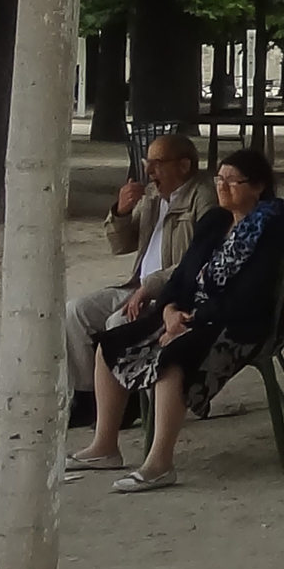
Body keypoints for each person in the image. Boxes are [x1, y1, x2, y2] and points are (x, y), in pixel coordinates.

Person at [65, 143, 284, 489]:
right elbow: (183, 274)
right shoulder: (216, 221)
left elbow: (249, 297)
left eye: (232, 182)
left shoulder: (270, 230)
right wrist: (171, 308)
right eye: (219, 178)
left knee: (172, 358)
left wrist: (188, 320)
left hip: (238, 322)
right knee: (111, 341)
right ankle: (105, 445)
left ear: (258, 186)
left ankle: (159, 463)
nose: (222, 186)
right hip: (192, 311)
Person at [64, 131, 212, 422]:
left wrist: (151, 286)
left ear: (184, 165)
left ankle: (126, 402)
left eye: (158, 162)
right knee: (75, 312)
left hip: (173, 294)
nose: (149, 170)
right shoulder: (154, 196)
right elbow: (121, 244)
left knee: (118, 323)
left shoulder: (203, 198)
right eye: (148, 162)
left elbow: (198, 261)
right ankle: (88, 397)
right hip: (135, 286)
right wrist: (120, 212)